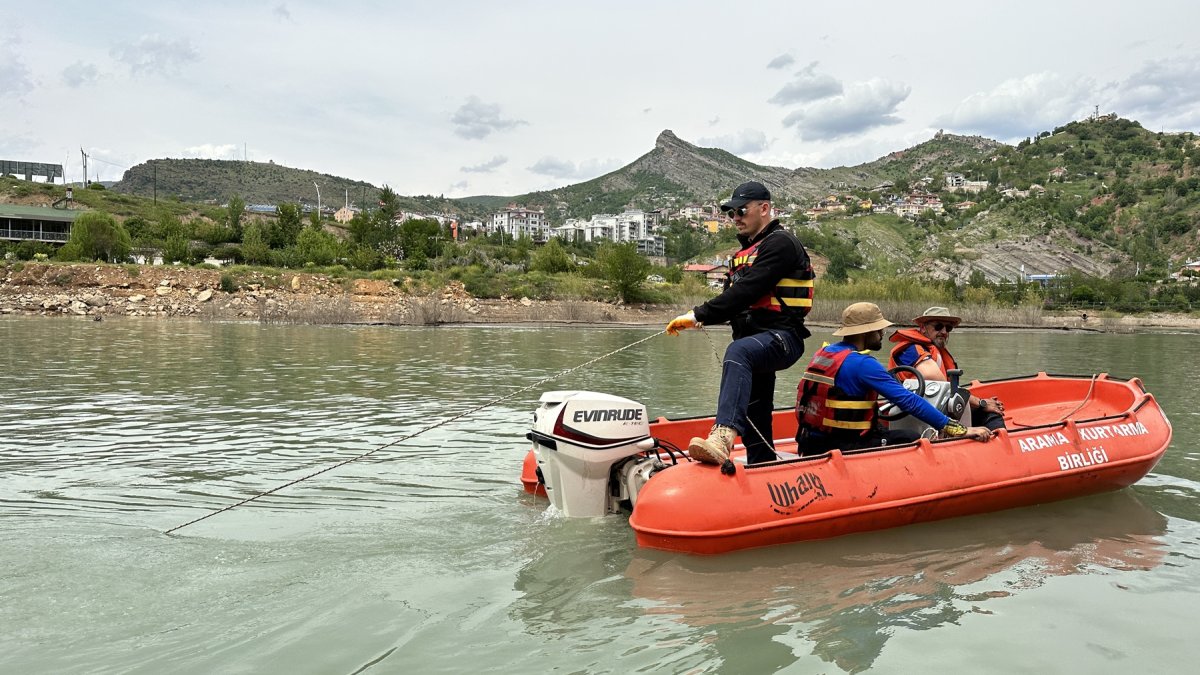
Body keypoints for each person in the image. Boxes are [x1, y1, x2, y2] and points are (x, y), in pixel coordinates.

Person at [666, 180, 815, 465]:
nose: (735, 218)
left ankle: (722, 436)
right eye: (731, 213)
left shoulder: (781, 243)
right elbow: (731, 302)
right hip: (755, 341)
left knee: (738, 352)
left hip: (783, 339)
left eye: (741, 211)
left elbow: (748, 291)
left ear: (764, 208)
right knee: (755, 408)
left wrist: (698, 314)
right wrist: (694, 320)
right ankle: (762, 464)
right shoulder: (742, 255)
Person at [796, 302, 993, 455]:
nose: (883, 334)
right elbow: (909, 401)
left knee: (882, 428)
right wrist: (958, 429)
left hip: (810, 441)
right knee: (912, 437)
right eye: (879, 329)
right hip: (842, 444)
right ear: (868, 331)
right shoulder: (863, 364)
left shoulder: (824, 353)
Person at [886, 306, 1006, 431]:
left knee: (987, 413)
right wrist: (982, 404)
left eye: (948, 328)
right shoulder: (911, 349)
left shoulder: (932, 350)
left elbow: (948, 391)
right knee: (989, 414)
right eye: (938, 326)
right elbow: (939, 382)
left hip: (935, 407)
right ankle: (1000, 445)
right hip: (919, 415)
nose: (944, 331)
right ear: (923, 328)